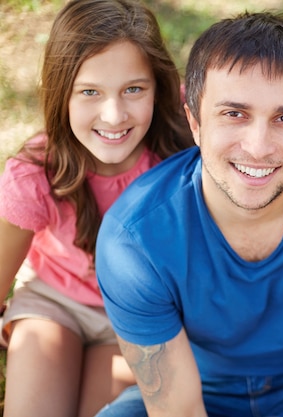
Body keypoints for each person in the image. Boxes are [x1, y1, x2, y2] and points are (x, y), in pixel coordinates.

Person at [94, 11, 283, 417]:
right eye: (234, 114)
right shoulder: (134, 240)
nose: (258, 147)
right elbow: (178, 409)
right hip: (201, 390)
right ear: (194, 120)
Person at [0, 0, 195, 416]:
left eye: (133, 89)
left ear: (159, 87)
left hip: (139, 310)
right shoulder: (35, 174)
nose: (113, 114)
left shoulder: (184, 139)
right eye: (90, 91)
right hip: (56, 304)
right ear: (60, 94)